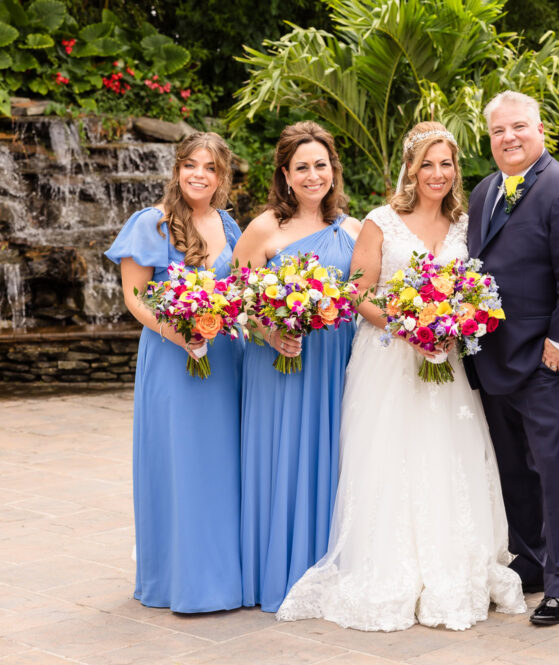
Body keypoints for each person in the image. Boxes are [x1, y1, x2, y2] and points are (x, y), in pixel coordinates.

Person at [275, 121, 526, 631]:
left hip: (447, 361)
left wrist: (453, 324)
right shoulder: (380, 222)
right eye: (427, 163)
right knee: (389, 456)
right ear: (411, 168)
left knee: (447, 453)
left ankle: (455, 562)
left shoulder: (466, 223)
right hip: (389, 358)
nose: (437, 173)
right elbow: (358, 291)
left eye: (446, 163)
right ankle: (388, 565)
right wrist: (407, 326)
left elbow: (473, 287)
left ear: (456, 169)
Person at [466, 91, 559, 626]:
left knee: (553, 470)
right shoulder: (483, 191)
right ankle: (534, 559)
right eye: (499, 131)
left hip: (543, 358)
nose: (509, 138)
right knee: (512, 470)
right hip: (490, 354)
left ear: (540, 128)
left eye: (518, 127)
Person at [104, 132, 243, 612]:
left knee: (222, 465)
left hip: (224, 360)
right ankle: (178, 581)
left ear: (221, 176)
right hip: (171, 357)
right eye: (189, 165)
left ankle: (223, 579)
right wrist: (178, 333)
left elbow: (241, 291)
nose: (198, 174)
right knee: (180, 463)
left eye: (208, 167)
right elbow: (135, 297)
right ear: (177, 169)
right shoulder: (152, 223)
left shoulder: (230, 225)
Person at [232, 121, 361, 613]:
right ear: (285, 175)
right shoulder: (265, 227)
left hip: (335, 364)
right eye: (301, 167)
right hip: (277, 365)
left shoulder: (351, 230)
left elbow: (364, 297)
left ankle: (327, 573)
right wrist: (269, 332)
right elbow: (238, 299)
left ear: (333, 171)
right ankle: (276, 574)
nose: (312, 176)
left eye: (320, 165)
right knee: (281, 459)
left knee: (333, 461)